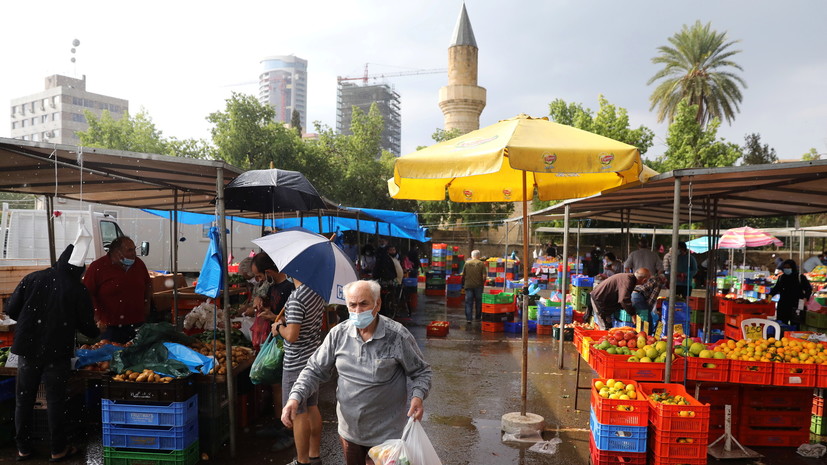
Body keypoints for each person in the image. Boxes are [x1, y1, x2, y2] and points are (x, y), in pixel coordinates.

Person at [281, 280, 432, 465]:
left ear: (377, 304)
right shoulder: (338, 334)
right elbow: (314, 370)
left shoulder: (397, 336)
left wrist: (418, 396)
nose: (358, 311)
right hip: (350, 432)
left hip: (387, 435)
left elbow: (422, 371)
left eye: (364, 304)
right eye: (352, 305)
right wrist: (294, 398)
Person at [7, 242, 99, 461]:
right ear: (78, 267)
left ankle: (23, 448)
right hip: (56, 351)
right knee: (55, 400)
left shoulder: (33, 278)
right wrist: (95, 328)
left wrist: (32, 323)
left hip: (28, 348)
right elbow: (88, 328)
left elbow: (10, 309)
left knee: (24, 399)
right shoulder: (77, 288)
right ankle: (58, 449)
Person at [272, 280, 326, 464]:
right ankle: (314, 455)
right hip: (312, 359)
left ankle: (302, 461)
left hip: (296, 363)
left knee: (298, 411)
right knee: (311, 406)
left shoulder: (296, 298)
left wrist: (278, 328)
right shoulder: (316, 292)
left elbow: (292, 335)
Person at [250, 252, 296, 451]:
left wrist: (276, 320)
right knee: (277, 385)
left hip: (287, 342)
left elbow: (295, 322)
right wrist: (260, 300)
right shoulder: (274, 286)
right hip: (277, 339)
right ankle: (280, 422)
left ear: (268, 272)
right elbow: (269, 304)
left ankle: (289, 431)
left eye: (259, 276)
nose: (259, 280)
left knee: (286, 387)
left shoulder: (291, 288)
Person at [83, 236, 152, 343]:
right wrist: (97, 317)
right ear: (116, 252)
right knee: (111, 356)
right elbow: (87, 294)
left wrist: (147, 305)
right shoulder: (98, 267)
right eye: (130, 250)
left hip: (137, 323)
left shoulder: (139, 264)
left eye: (134, 249)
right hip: (110, 326)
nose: (134, 253)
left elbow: (148, 284)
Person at [769, 259, 812, 326]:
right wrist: (769, 296)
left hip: (796, 305)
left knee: (796, 324)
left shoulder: (800, 277)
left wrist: (806, 298)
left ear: (793, 267)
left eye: (788, 267)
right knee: (782, 324)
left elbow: (808, 289)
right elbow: (776, 288)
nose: (786, 269)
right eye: (785, 267)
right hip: (783, 305)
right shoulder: (781, 277)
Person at [462, 250, 487, 324]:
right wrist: (482, 283)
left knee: (468, 302)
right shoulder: (481, 264)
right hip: (478, 286)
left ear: (472, 255)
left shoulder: (467, 263)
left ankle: (469, 319)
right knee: (478, 302)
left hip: (468, 285)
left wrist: (464, 283)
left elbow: (463, 275)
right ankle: (478, 317)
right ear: (478, 256)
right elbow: (484, 276)